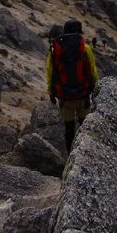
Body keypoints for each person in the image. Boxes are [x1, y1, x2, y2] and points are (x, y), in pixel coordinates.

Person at [46, 19, 98, 153]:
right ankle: (88, 154)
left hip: (64, 97)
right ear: (78, 32)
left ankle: (71, 156)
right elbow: (92, 70)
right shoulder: (85, 48)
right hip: (83, 95)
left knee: (69, 129)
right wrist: (94, 89)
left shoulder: (55, 50)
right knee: (85, 127)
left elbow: (50, 72)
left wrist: (51, 92)